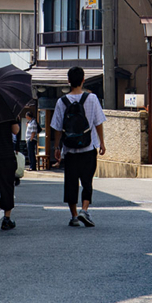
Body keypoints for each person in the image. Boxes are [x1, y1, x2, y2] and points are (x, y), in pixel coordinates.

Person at [51, 67, 106, 227]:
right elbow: (98, 122)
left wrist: (57, 148)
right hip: (88, 148)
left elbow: (57, 127)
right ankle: (84, 210)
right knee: (87, 181)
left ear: (68, 81)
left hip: (70, 150)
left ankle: (74, 216)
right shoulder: (92, 98)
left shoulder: (61, 102)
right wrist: (101, 142)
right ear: (83, 80)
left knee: (71, 182)